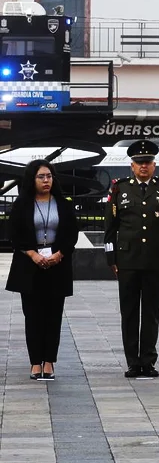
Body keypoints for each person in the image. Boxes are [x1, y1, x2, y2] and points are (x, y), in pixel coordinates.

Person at [104, 139, 159, 379]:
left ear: (154, 165)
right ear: (132, 165)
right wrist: (111, 258)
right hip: (127, 260)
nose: (143, 167)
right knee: (129, 313)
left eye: (147, 162)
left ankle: (147, 361)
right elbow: (110, 227)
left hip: (155, 260)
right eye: (139, 163)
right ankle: (132, 362)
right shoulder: (119, 188)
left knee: (150, 312)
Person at [5, 160, 79, 381]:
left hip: (57, 267)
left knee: (53, 316)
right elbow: (15, 235)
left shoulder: (63, 204)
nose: (46, 180)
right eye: (41, 177)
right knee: (33, 316)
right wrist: (33, 254)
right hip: (30, 267)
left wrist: (59, 254)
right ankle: (35, 362)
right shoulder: (22, 205)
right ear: (32, 179)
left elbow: (71, 235)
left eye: (49, 176)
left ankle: (49, 362)